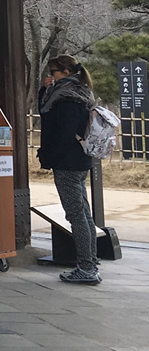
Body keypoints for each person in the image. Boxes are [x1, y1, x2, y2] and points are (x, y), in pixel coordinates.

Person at [37, 54, 101, 284]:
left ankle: (86, 268)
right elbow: (46, 110)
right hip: (80, 159)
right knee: (83, 213)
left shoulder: (67, 97)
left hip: (68, 161)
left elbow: (61, 130)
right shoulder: (79, 91)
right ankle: (90, 261)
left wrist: (50, 156)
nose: (50, 75)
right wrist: (44, 90)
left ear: (65, 72)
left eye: (53, 71)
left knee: (76, 215)